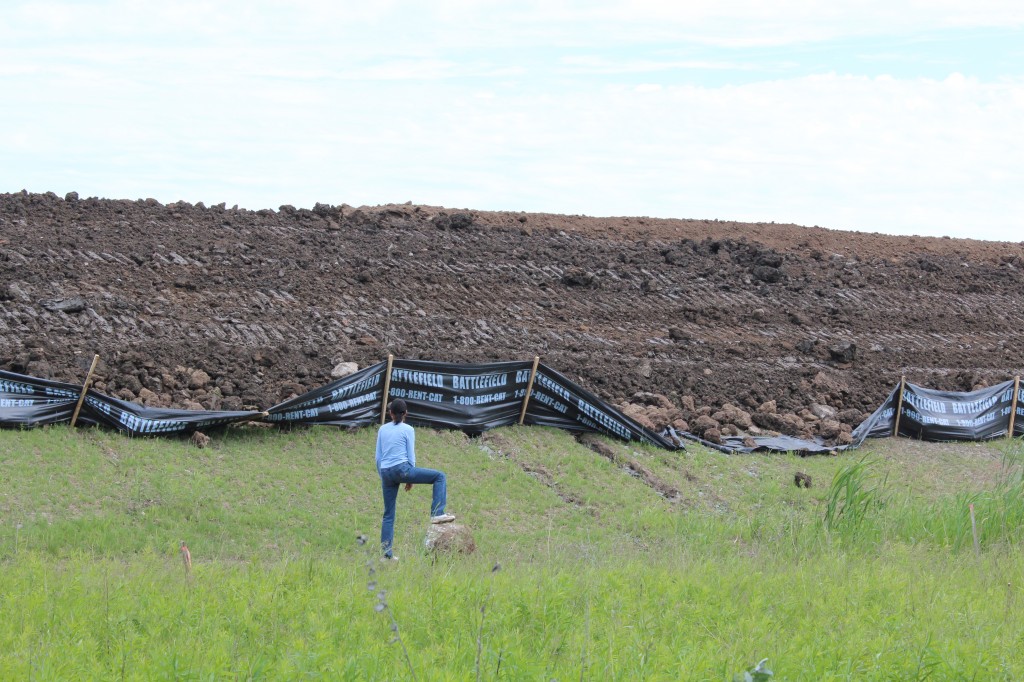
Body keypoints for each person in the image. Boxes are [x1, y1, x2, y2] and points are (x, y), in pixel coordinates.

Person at [376, 398, 455, 561]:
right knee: (439, 476)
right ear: (406, 414)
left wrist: (382, 476)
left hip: (385, 472)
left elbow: (378, 457)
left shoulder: (382, 429)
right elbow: (410, 455)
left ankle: (386, 555)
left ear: (390, 413)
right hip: (402, 469)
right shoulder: (408, 429)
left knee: (388, 515)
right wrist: (409, 477)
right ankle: (437, 513)